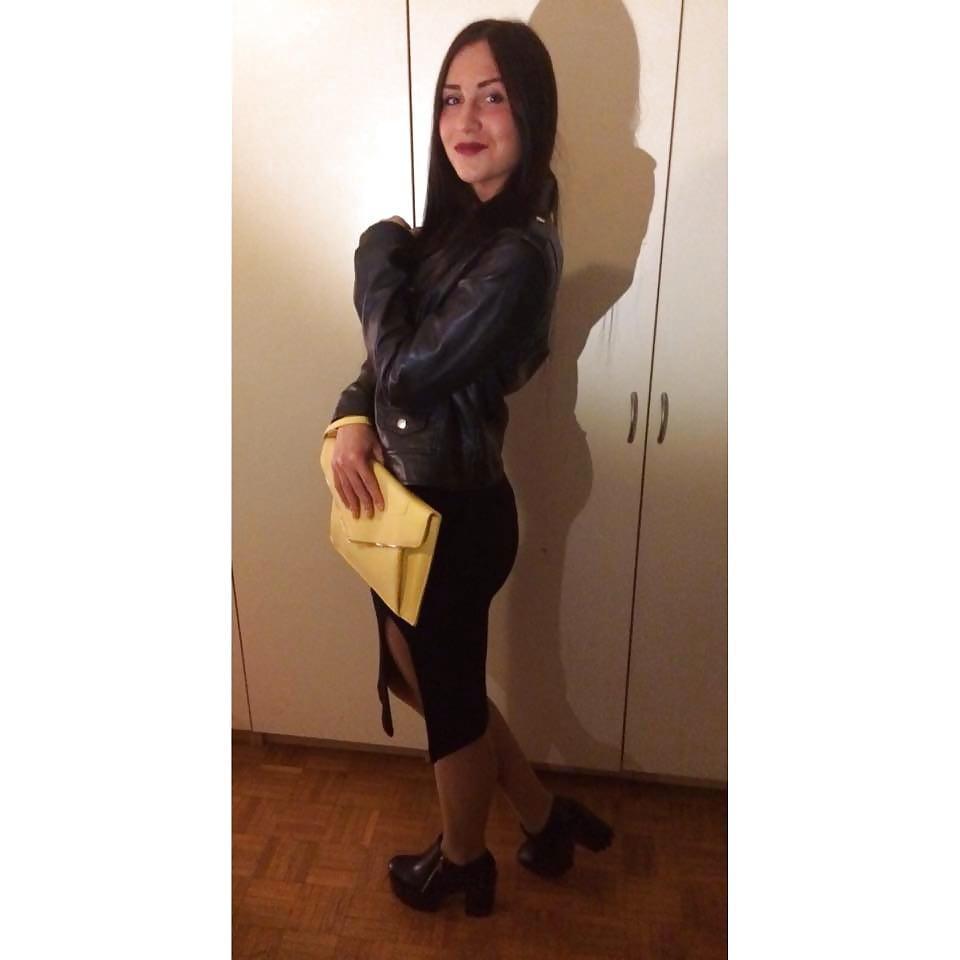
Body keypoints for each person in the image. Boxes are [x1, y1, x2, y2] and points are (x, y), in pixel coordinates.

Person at [325, 18, 613, 917]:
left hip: (452, 516)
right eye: (453, 98)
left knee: (447, 701)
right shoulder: (458, 233)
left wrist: (375, 252)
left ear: (532, 113)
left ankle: (462, 862)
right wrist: (350, 416)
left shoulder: (518, 252)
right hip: (408, 503)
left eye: (493, 97)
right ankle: (544, 818)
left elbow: (408, 368)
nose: (466, 118)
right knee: (426, 680)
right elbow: (385, 364)